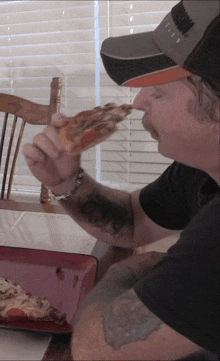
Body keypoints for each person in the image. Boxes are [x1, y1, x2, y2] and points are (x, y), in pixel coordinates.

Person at [23, 0, 219, 360]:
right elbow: (133, 221)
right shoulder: (203, 167)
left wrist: (135, 266)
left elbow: (95, 350)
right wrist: (68, 183)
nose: (140, 100)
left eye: (158, 91)